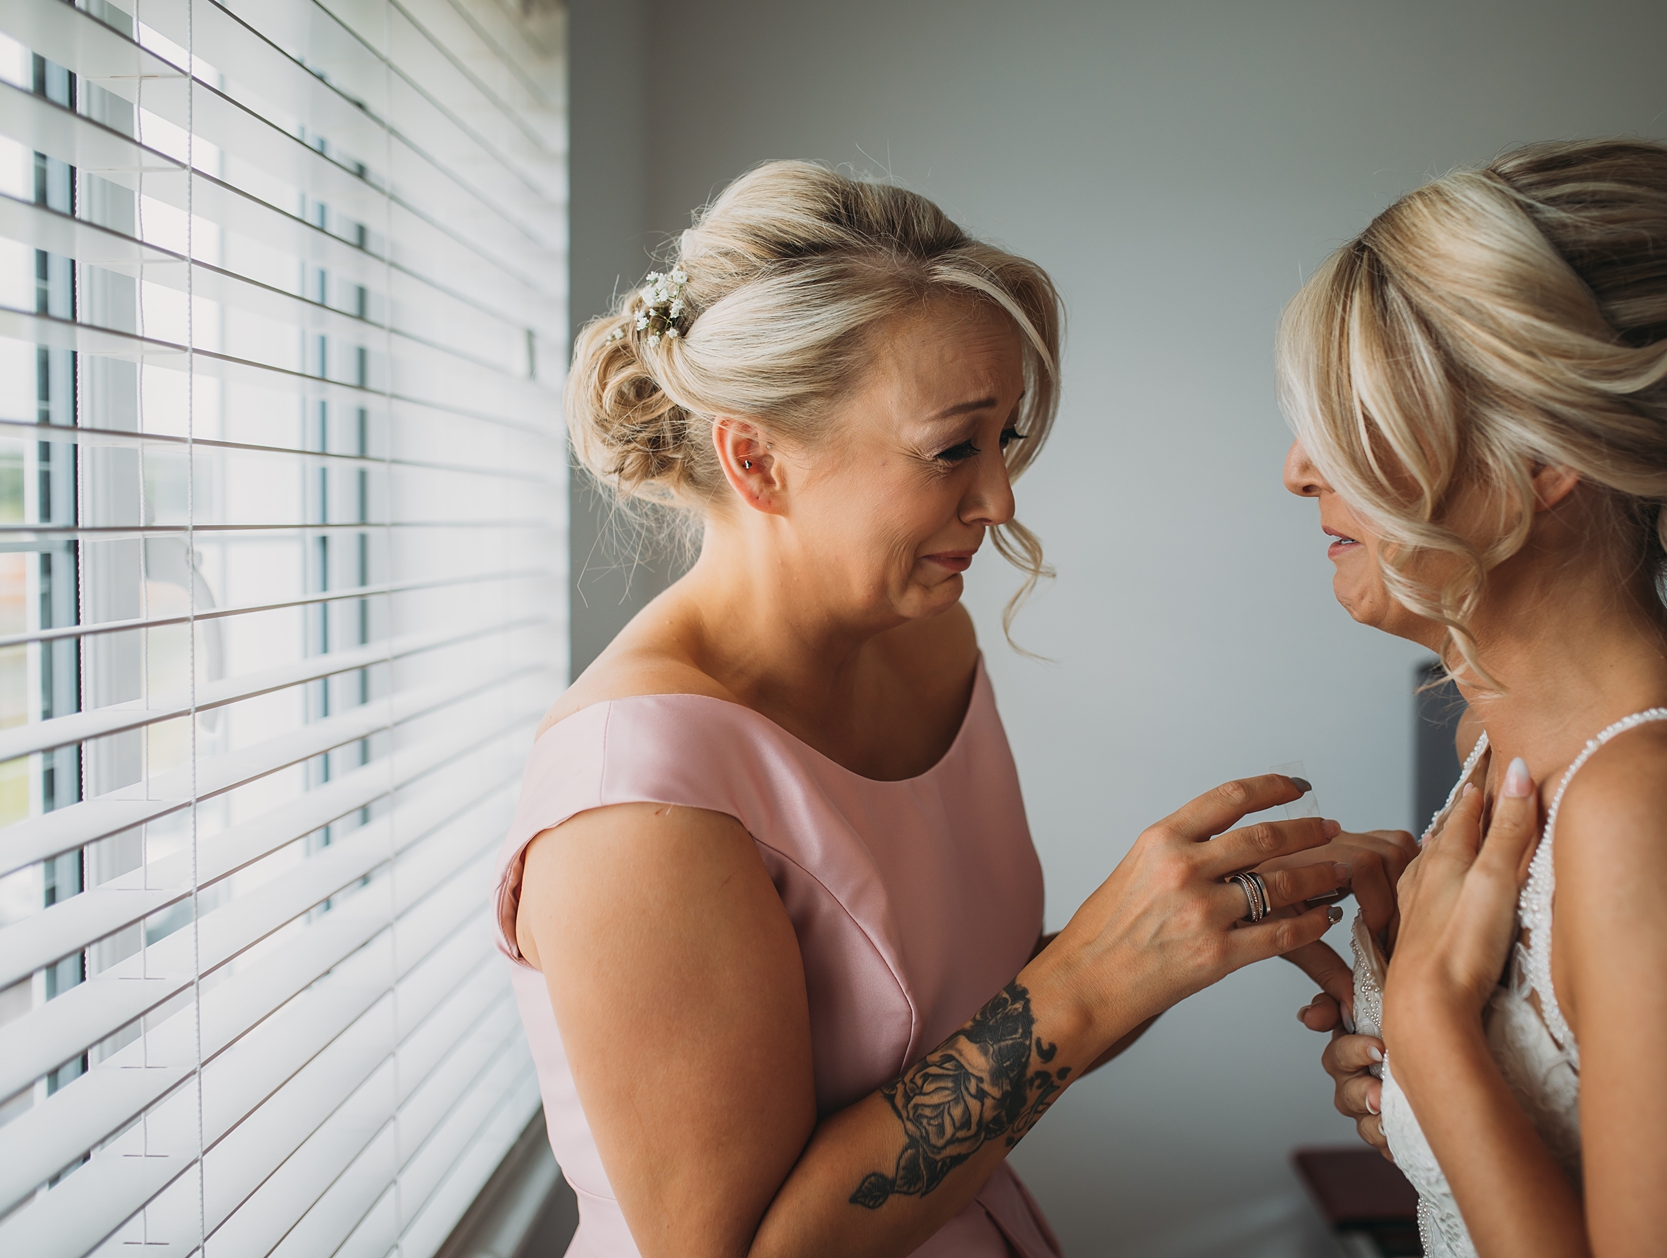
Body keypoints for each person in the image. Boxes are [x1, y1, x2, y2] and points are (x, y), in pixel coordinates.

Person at [493, 162, 1414, 1257]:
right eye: (951, 449)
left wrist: (1190, 925)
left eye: (1004, 440)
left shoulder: (925, 639)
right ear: (757, 460)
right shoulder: (629, 798)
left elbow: (955, 1029)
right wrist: (1091, 978)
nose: (1000, 500)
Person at [1281, 139, 1667, 1257]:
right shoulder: (1499, 743)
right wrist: (1428, 1119)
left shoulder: (1655, 811)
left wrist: (1430, 1034)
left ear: (1538, 458)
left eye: (1354, 414)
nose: (1296, 467)